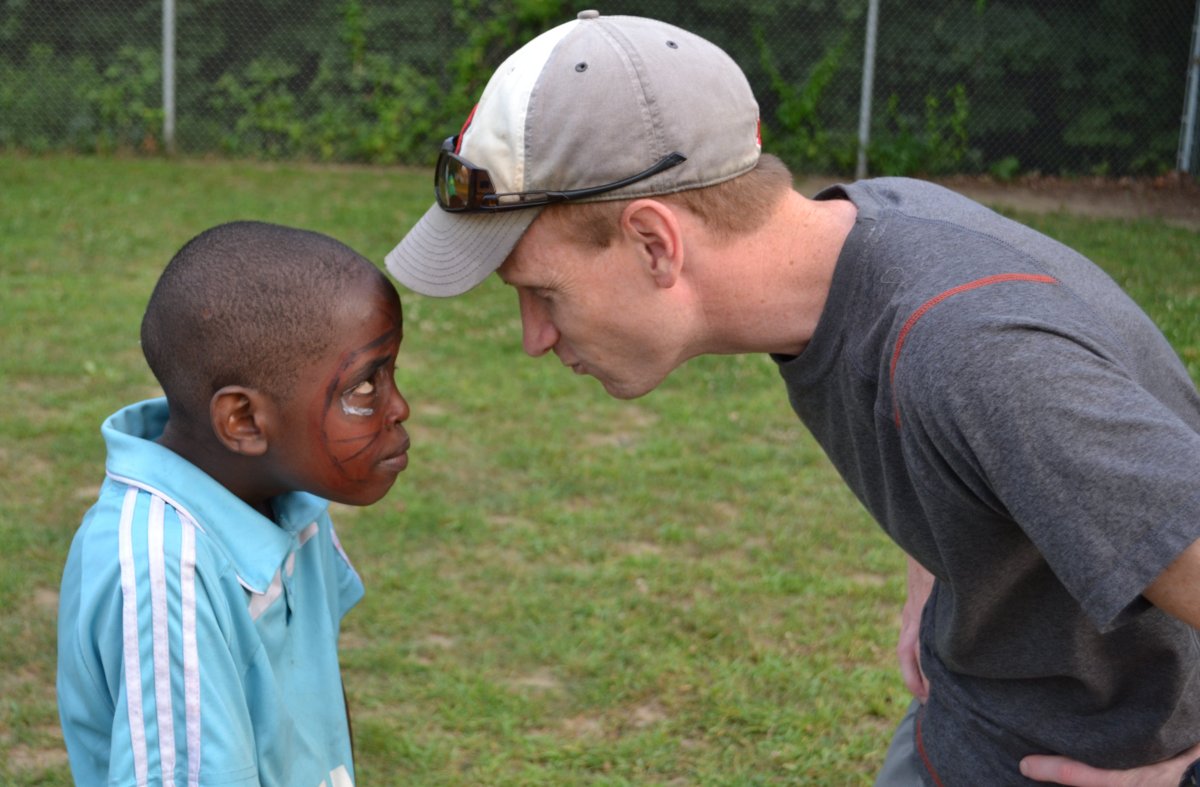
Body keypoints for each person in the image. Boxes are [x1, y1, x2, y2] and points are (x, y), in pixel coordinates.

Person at [383, 11, 1200, 786]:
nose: (535, 336)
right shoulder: (860, 236)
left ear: (653, 242)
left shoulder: (973, 349)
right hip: (968, 720)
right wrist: (935, 558)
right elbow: (971, 435)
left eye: (543, 293)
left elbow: (996, 389)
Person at [57, 221, 411, 786]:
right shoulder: (162, 571)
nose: (399, 408)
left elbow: (314, 692)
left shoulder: (293, 501)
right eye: (365, 386)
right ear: (244, 420)